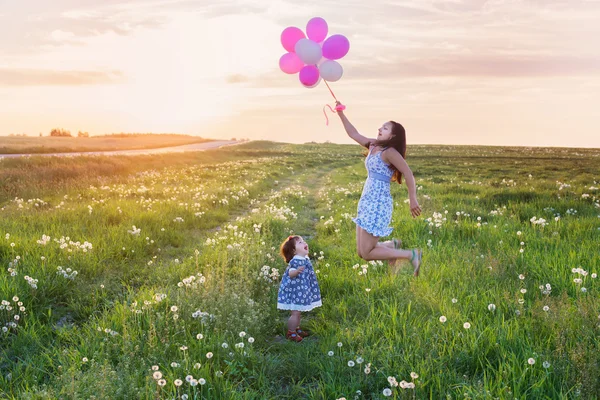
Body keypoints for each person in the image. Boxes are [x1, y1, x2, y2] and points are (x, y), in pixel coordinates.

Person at [336, 101, 423, 276]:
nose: (380, 129)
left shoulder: (390, 152)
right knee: (362, 253)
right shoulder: (373, 145)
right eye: (381, 126)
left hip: (378, 203)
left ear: (392, 136)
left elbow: (408, 173)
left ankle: (410, 254)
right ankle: (392, 246)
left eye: (385, 128)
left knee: (368, 253)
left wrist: (412, 198)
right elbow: (353, 133)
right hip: (367, 200)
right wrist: (340, 113)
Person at [277, 235, 322, 342]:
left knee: (298, 312)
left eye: (303, 241)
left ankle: (296, 328)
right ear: (294, 251)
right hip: (295, 292)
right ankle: (291, 332)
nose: (304, 243)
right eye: (300, 243)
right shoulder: (295, 261)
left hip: (301, 290)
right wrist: (296, 271)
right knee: (295, 313)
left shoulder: (304, 259)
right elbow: (290, 273)